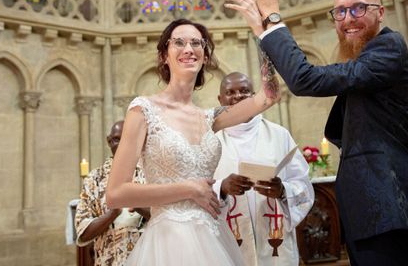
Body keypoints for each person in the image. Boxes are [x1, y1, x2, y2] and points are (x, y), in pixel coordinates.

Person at [225, 0, 408, 266]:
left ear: (380, 13)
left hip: (389, 206)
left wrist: (273, 17)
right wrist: (263, 32)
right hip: (371, 208)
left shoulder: (388, 48)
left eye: (358, 8)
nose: (347, 19)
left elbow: (304, 79)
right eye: (339, 12)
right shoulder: (367, 62)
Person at [106, 18, 281, 265]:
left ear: (205, 57)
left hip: (214, 237)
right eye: (179, 42)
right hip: (169, 242)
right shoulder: (143, 111)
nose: (189, 49)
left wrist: (264, 35)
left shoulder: (210, 118)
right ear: (164, 56)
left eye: (196, 43)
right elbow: (115, 194)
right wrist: (189, 189)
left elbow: (269, 95)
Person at [213, 72, 314, 265]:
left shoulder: (279, 135)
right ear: (220, 99)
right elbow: (199, 188)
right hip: (229, 241)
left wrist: (283, 191)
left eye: (244, 91)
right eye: (230, 92)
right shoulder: (211, 142)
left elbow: (304, 186)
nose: (238, 96)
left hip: (275, 240)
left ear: (254, 96)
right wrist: (222, 188)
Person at [74, 121, 150, 266]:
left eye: (127, 138)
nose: (122, 144)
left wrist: (137, 206)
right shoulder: (94, 179)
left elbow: (167, 217)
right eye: (116, 139)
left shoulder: (150, 174)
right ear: (109, 141)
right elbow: (83, 234)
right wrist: (113, 214)